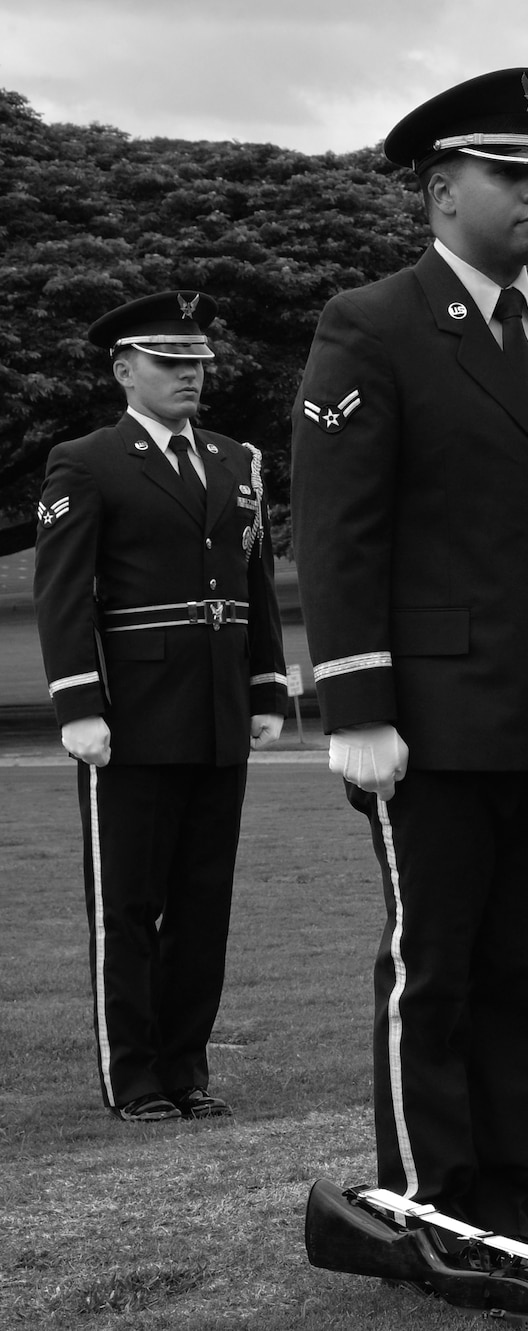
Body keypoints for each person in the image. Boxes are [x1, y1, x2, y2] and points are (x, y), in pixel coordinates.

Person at [290, 67, 528, 1241]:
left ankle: (507, 1210)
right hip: (430, 711)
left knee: (520, 978)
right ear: (442, 191)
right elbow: (340, 526)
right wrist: (355, 701)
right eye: (513, 173)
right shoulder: (372, 322)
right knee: (431, 968)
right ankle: (429, 1204)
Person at [33, 290, 288, 1123]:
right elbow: (63, 593)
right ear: (124, 369)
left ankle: (187, 1067)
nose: (192, 376)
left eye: (199, 363)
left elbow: (255, 583)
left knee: (203, 905)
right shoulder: (87, 460)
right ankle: (134, 1075)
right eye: (172, 363)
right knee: (129, 905)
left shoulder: (232, 459)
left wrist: (266, 685)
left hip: (217, 712)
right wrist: (79, 703)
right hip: (132, 718)